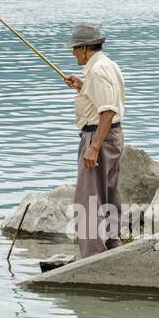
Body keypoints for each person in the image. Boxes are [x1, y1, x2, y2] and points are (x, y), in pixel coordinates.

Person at [62, 23, 126, 259]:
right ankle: (112, 243)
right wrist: (81, 85)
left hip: (98, 136)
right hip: (112, 135)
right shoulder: (107, 65)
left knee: (89, 199)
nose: (73, 53)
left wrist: (93, 148)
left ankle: (93, 256)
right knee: (108, 192)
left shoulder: (97, 70)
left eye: (75, 48)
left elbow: (107, 111)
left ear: (86, 48)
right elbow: (105, 100)